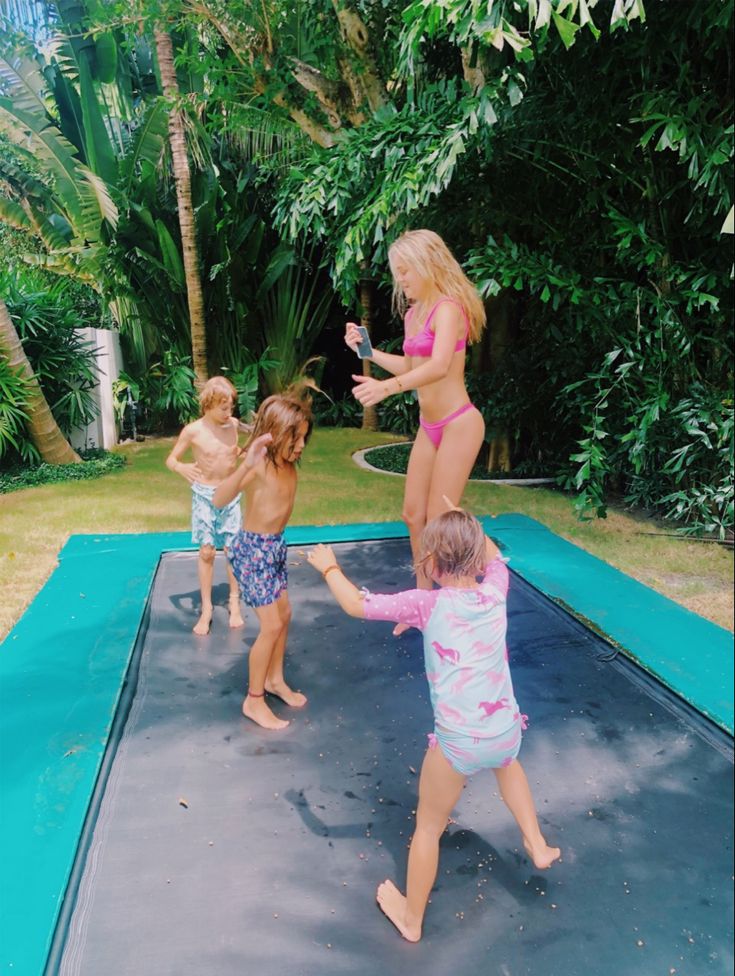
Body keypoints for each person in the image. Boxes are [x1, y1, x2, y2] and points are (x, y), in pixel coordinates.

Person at [306, 503, 560, 943]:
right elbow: (494, 557)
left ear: (433, 564)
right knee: (508, 766)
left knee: (427, 826)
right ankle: (536, 843)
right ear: (476, 557)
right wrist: (465, 519)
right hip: (505, 729)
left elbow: (353, 603)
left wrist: (329, 568)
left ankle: (411, 918)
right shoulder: (496, 587)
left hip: (458, 743)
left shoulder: (425, 603)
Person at [345, 229, 486, 632]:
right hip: (430, 425)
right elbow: (413, 367)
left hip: (459, 423)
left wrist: (385, 389)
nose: (401, 279)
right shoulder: (414, 314)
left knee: (442, 520)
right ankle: (424, 606)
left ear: (428, 265)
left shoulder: (449, 309)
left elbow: (440, 365)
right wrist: (368, 354)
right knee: (413, 515)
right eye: (398, 272)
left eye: (406, 271)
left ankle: (470, 601)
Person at [213, 389, 313, 731]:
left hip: (273, 548)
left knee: (284, 615)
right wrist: (246, 466)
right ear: (275, 435)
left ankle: (274, 679)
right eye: (294, 438)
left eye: (303, 438)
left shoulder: (287, 465)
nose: (301, 446)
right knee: (270, 625)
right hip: (252, 551)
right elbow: (219, 499)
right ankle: (253, 700)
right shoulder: (259, 466)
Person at [166, 376, 246, 636]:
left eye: (231, 407)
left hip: (230, 494)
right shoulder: (193, 430)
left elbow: (246, 440)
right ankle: (207, 608)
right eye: (223, 408)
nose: (228, 412)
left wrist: (243, 452)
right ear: (208, 405)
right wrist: (181, 467)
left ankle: (234, 601)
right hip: (204, 495)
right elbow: (171, 459)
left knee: (232, 549)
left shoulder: (233, 424)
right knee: (207, 552)